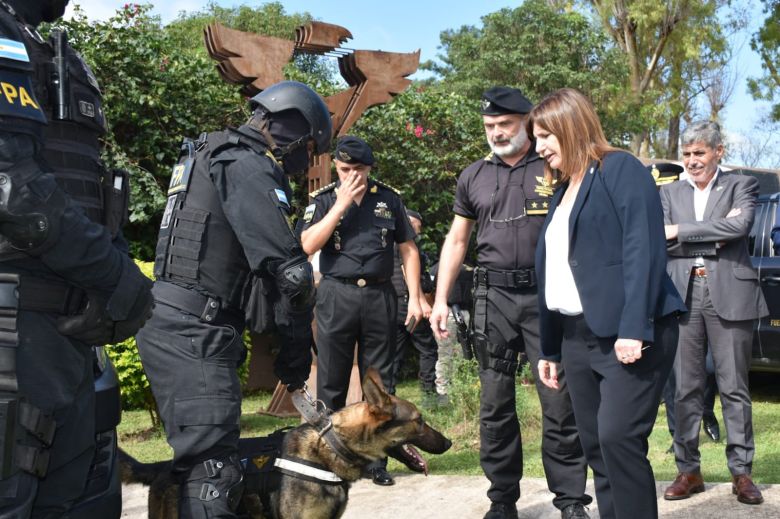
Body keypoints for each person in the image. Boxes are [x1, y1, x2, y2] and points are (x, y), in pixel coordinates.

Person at [136, 80, 332, 518]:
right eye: (311, 149)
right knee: (211, 476)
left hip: (179, 324)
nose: (306, 163)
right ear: (297, 132)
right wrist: (296, 354)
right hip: (194, 332)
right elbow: (293, 274)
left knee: (199, 470)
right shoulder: (245, 164)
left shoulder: (207, 154)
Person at [0, 0, 154, 516]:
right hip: (14, 331)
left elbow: (83, 187)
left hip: (65, 331)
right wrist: (115, 276)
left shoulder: (40, 43)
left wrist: (116, 270)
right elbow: (14, 193)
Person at [430, 86, 592, 519]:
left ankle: (571, 501)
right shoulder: (474, 175)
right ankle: (502, 501)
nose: (496, 133)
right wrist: (440, 299)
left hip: (548, 299)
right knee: (495, 405)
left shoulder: (555, 164)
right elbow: (458, 239)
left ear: (527, 123)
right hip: (494, 299)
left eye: (505, 125)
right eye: (489, 126)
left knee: (559, 403)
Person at [533, 88, 685, 519]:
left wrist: (633, 327)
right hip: (576, 337)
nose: (540, 146)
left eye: (546, 135)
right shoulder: (564, 189)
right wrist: (550, 347)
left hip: (628, 331)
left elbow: (645, 250)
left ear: (570, 125)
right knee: (597, 446)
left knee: (619, 439)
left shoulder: (620, 169)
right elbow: (555, 268)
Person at [301, 135, 422, 486]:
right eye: (343, 169)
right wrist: (339, 205)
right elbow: (307, 245)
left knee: (380, 384)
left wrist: (415, 296)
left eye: (358, 169)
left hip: (380, 296)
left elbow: (408, 250)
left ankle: (375, 462)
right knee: (332, 381)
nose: (351, 175)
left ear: (369, 168)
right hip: (337, 295)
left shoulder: (388, 199)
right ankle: (328, 460)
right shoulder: (323, 201)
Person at [660, 120, 767, 505]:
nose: (691, 160)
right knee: (685, 388)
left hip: (730, 293)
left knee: (734, 387)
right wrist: (711, 233)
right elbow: (660, 238)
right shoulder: (668, 192)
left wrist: (681, 231)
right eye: (686, 154)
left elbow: (739, 227)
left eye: (699, 152)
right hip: (684, 294)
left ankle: (742, 474)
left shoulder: (741, 185)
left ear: (718, 152)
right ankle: (688, 470)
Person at [650, 163, 722, 450]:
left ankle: (705, 410)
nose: (660, 193)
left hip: (699, 288)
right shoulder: (649, 211)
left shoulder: (692, 204)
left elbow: (710, 237)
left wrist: (683, 234)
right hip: (664, 296)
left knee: (708, 366)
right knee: (671, 375)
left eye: (664, 186)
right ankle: (676, 433)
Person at [390, 209, 440, 407]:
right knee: (428, 348)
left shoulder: (390, 243)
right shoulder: (406, 245)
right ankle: (430, 397)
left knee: (394, 353)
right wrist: (420, 301)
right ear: (410, 223)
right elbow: (406, 271)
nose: (418, 231)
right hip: (408, 307)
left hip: (393, 306)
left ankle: (389, 396)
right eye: (417, 226)